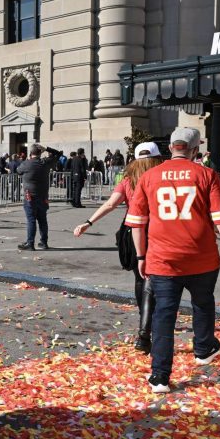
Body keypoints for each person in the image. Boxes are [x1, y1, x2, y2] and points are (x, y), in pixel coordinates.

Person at [126, 127, 220, 393]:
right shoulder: (206, 175)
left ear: (171, 148)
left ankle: (160, 376)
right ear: (194, 150)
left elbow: (137, 223)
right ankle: (203, 348)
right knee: (203, 302)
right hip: (201, 257)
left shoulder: (149, 177)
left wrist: (141, 256)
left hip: (162, 258)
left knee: (164, 314)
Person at [73, 142, 164, 353]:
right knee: (161, 278)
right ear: (158, 159)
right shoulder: (161, 178)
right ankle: (150, 325)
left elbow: (110, 204)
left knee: (140, 278)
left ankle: (145, 322)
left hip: (132, 229)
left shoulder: (128, 180)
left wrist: (88, 222)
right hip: (159, 229)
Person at [16, 144, 63, 250]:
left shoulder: (27, 164)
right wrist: (47, 148)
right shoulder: (45, 162)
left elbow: (18, 171)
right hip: (43, 196)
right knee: (42, 220)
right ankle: (44, 242)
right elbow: (59, 154)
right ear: (40, 153)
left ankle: (30, 243)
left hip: (30, 196)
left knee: (31, 219)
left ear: (30, 153)